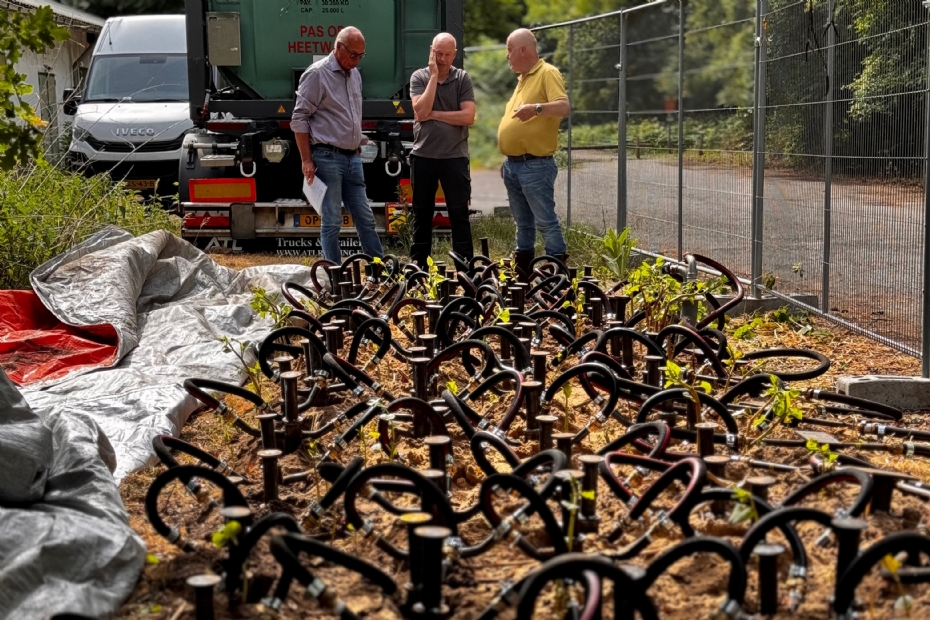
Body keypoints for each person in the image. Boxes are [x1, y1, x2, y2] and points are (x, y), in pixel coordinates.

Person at [292, 26, 384, 263]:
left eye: (361, 56)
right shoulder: (317, 74)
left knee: (365, 217)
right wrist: (306, 160)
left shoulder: (355, 75)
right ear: (339, 47)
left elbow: (352, 114)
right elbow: (299, 118)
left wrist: (358, 143)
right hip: (326, 156)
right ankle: (334, 275)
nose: (356, 60)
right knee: (332, 220)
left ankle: (378, 270)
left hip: (353, 157)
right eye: (353, 55)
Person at [498, 28, 571, 281]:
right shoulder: (523, 79)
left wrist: (536, 108)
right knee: (522, 223)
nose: (507, 56)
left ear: (522, 50)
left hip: (535, 165)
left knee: (545, 222)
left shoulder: (547, 73)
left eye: (509, 50)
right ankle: (523, 276)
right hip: (514, 165)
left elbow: (564, 107)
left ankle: (557, 278)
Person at [409, 32, 476, 269]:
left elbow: (468, 116)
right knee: (421, 214)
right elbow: (421, 110)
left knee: (459, 214)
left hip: (455, 156)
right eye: (438, 54)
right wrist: (434, 77)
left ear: (454, 54)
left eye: (448, 55)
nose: (443, 59)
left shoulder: (462, 79)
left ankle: (465, 267)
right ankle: (419, 267)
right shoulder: (419, 76)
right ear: (431, 51)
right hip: (423, 155)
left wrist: (435, 114)